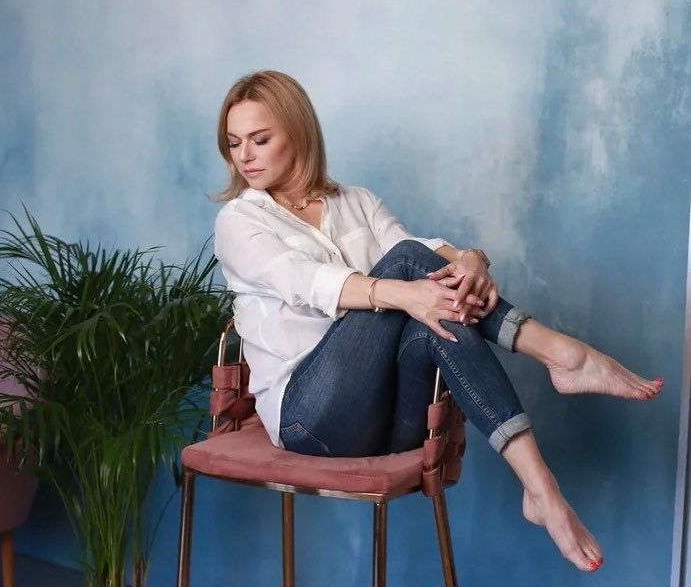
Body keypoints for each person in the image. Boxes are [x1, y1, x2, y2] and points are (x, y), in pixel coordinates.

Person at [210, 69, 663, 573]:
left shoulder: (355, 201)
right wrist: (408, 294)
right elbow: (309, 281)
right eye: (234, 143)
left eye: (259, 139)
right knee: (408, 270)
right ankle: (557, 352)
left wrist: (472, 261)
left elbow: (424, 252)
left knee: (433, 313)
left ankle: (540, 489)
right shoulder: (239, 221)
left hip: (389, 423)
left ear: (297, 133)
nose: (244, 156)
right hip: (309, 420)